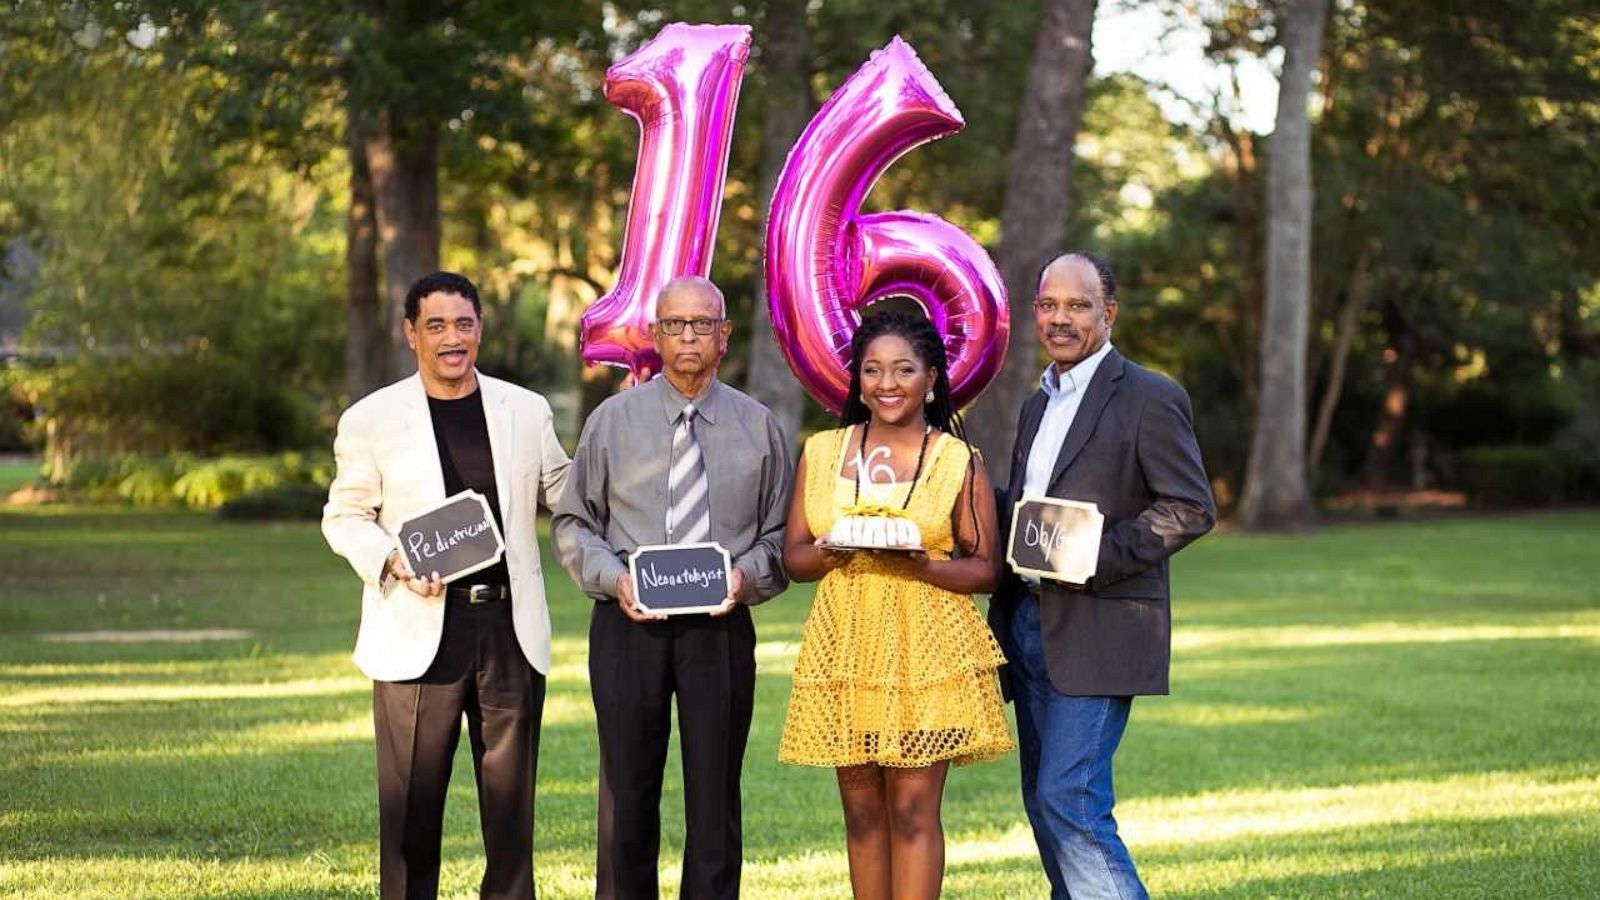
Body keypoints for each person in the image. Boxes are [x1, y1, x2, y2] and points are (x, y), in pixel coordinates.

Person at [322, 271, 572, 900]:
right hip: (417, 629)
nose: (451, 338)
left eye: (463, 324)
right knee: (412, 813)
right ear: (412, 334)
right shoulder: (370, 419)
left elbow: (566, 493)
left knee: (511, 814)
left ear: (480, 329)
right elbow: (344, 515)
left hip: (510, 632)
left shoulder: (527, 410)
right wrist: (392, 561)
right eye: (435, 325)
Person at [552, 276, 790, 900]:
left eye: (702, 324)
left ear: (724, 335)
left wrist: (746, 579)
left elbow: (780, 536)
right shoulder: (612, 421)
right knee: (626, 794)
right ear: (654, 335)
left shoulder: (758, 426)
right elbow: (575, 523)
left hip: (721, 630)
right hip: (628, 625)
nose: (689, 335)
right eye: (675, 324)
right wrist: (614, 578)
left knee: (714, 796)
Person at [990, 253, 1215, 900]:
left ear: (1107, 313)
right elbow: (1030, 510)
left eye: (1078, 305)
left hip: (1099, 623)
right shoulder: (1038, 404)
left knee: (1070, 800)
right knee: (1044, 802)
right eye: (1049, 305)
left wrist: (1093, 557)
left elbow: (1191, 508)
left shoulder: (1150, 396)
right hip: (1027, 624)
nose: (1061, 319)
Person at [779, 310, 1014, 900]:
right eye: (873, 370)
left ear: (930, 378)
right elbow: (795, 558)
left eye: (904, 369)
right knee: (861, 814)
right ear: (856, 379)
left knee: (912, 811)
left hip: (926, 652)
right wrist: (832, 551)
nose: (887, 383)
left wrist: (927, 567)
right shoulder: (824, 452)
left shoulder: (958, 460)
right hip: (847, 652)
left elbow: (986, 570)